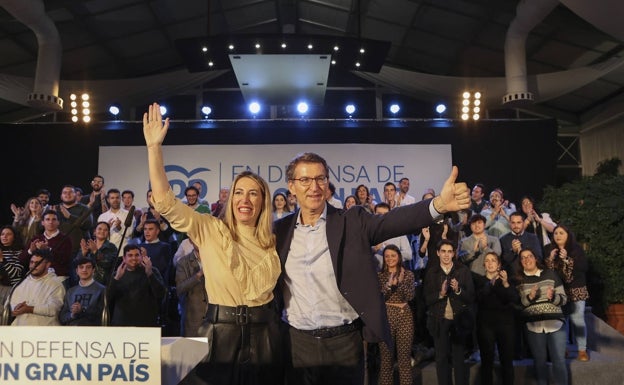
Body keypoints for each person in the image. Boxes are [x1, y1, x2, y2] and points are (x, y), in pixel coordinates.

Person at [273, 152, 470, 385]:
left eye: (321, 178)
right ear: (291, 187)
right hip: (297, 344)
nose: (314, 186)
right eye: (305, 180)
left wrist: (439, 205)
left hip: (344, 343)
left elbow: (395, 221)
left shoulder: (352, 220)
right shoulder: (279, 231)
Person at [143, 102, 282, 385]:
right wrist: (154, 148)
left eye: (253, 194)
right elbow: (166, 203)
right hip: (220, 331)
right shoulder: (209, 228)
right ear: (231, 200)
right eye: (239, 193)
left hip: (265, 332)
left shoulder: (274, 239)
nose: (245, 200)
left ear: (263, 201)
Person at [424, 239, 475, 385]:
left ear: (454, 253)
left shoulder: (462, 270)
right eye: (443, 251)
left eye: (449, 251)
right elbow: (426, 299)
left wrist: (458, 290)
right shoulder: (432, 272)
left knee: (458, 358)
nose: (446, 255)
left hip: (459, 320)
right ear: (438, 253)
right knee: (441, 359)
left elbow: (471, 297)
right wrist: (440, 293)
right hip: (439, 321)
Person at [516, 248, 568, 385]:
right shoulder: (519, 281)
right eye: (523, 257)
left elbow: (564, 299)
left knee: (559, 360)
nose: (527, 259)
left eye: (530, 256)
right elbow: (519, 305)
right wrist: (530, 297)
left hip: (555, 324)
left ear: (536, 258)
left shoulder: (550, 274)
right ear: (521, 262)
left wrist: (553, 297)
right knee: (539, 362)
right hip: (533, 326)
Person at [545, 225, 590, 361]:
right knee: (562, 321)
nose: (558, 235)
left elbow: (583, 267)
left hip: (576, 289)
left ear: (568, 235)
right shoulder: (549, 249)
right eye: (556, 233)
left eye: (561, 233)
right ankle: (562, 348)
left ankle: (582, 350)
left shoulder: (576, 249)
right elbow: (547, 273)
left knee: (578, 319)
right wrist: (550, 260)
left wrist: (567, 259)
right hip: (560, 291)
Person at [474, 252, 518, 385]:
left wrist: (504, 283)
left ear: (499, 264)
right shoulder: (479, 281)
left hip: (505, 325)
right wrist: (490, 284)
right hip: (486, 326)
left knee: (507, 361)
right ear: (484, 265)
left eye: (493, 260)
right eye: (487, 261)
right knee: (487, 361)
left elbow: (514, 299)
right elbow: (478, 298)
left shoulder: (507, 281)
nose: (490, 263)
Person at [377, 244, 415, 385]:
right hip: (386, 317)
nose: (390, 259)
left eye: (393, 255)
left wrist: (400, 283)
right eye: (387, 256)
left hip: (404, 316)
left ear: (398, 257)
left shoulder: (408, 274)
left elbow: (410, 296)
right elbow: (379, 297)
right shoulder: (380, 275)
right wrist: (388, 285)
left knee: (404, 361)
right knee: (386, 361)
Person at [108, 244, 166, 326]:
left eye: (137, 255)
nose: (134, 258)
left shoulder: (152, 271)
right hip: (121, 324)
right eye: (130, 255)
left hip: (146, 324)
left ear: (142, 257)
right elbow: (107, 298)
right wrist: (117, 278)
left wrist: (150, 274)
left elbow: (161, 294)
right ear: (124, 258)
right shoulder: (117, 274)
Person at [10, 249, 65, 326]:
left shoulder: (55, 284)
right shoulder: (22, 282)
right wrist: (15, 308)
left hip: (44, 331)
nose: (33, 266)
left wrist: (29, 309)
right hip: (20, 329)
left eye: (37, 263)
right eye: (31, 262)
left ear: (48, 265)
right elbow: (11, 304)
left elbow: (53, 309)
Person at [22, 210, 73, 282]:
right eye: (47, 219)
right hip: (36, 277)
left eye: (54, 219)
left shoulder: (65, 239)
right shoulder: (36, 239)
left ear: (58, 222)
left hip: (58, 277)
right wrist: (30, 251)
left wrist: (48, 249)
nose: (50, 222)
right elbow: (22, 259)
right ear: (42, 222)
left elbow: (65, 260)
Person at [59, 256, 105, 326]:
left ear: (93, 270)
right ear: (77, 271)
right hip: (72, 333)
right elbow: (62, 317)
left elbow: (102, 316)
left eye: (88, 267)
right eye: (81, 267)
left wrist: (82, 310)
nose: (84, 270)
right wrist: (72, 314)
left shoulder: (102, 290)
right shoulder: (70, 291)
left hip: (92, 333)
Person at [175, 240, 208, 337]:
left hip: (213, 319)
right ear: (191, 241)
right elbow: (180, 289)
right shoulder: (183, 262)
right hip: (193, 320)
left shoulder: (215, 259)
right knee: (193, 351)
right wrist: (198, 275)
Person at [499, 212, 543, 277]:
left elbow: (539, 257)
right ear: (509, 223)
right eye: (513, 223)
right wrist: (513, 251)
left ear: (523, 223)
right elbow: (503, 262)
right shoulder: (503, 239)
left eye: (518, 222)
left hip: (531, 275)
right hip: (512, 277)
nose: (516, 226)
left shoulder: (533, 237)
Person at [98, 188, 135, 256]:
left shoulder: (128, 215)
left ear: (120, 199)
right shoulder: (102, 217)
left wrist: (119, 228)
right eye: (112, 198)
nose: (115, 200)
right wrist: (106, 229)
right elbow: (99, 237)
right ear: (108, 200)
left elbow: (129, 234)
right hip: (106, 253)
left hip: (122, 253)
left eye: (117, 198)